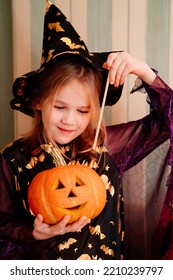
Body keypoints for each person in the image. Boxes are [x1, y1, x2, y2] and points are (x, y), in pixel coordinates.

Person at [0, 1, 173, 260]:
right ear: (38, 102)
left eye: (82, 111)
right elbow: (2, 224)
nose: (70, 120)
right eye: (60, 107)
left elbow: (166, 121)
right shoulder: (13, 159)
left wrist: (142, 70)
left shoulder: (107, 147)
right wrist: (33, 234)